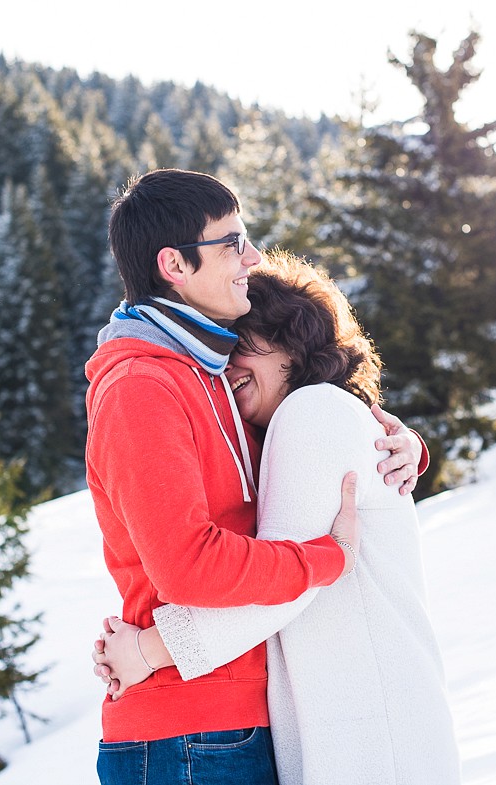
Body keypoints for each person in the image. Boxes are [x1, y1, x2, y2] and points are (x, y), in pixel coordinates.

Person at [86, 169, 425, 785]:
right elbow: (188, 565)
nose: (251, 256)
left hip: (231, 722)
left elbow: (317, 458)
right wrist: (330, 558)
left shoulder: (207, 378)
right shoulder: (143, 386)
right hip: (187, 730)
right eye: (232, 242)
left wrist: (399, 446)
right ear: (175, 265)